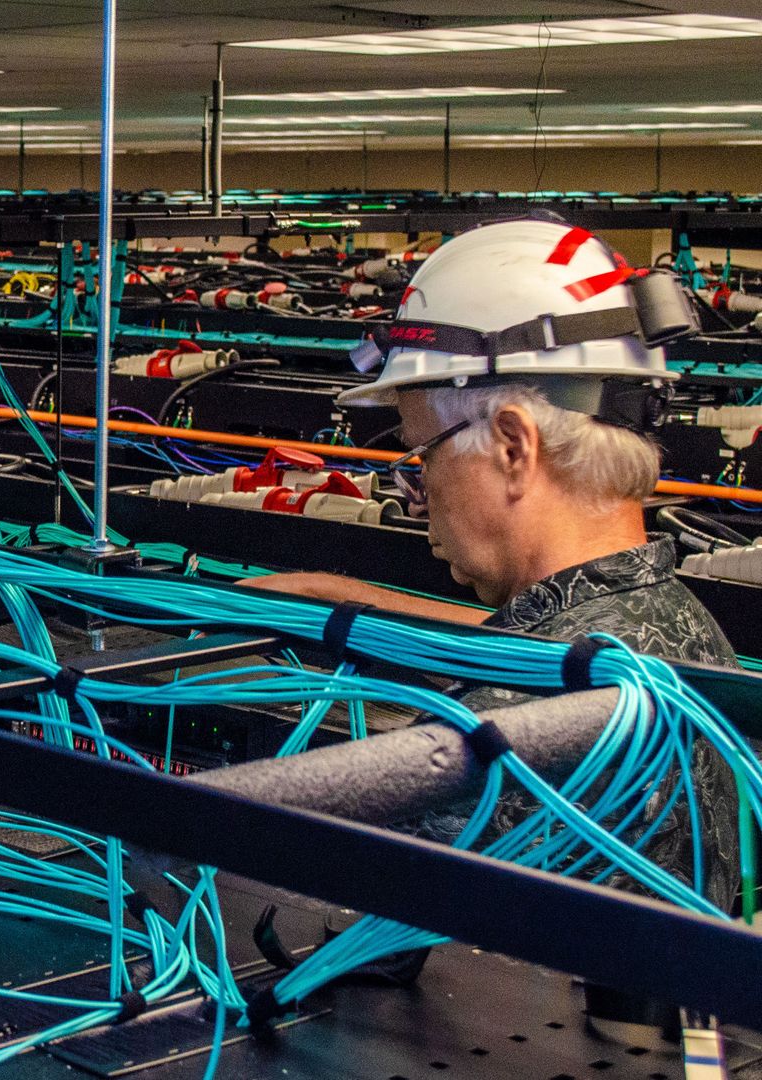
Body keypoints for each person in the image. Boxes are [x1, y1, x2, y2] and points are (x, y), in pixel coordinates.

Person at [246, 216, 743, 918]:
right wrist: (341, 596)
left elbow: (331, 935)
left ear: (513, 446)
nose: (417, 501)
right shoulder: (676, 625)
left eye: (424, 458)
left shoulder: (507, 741)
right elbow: (547, 638)